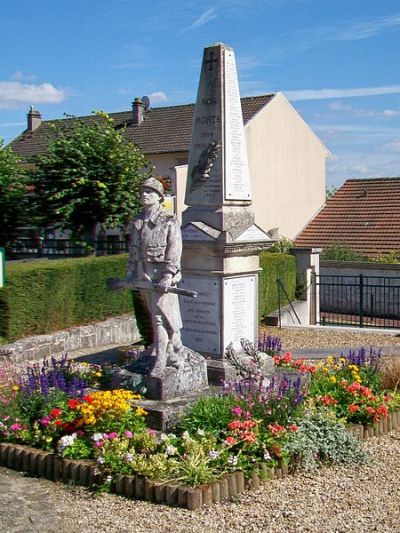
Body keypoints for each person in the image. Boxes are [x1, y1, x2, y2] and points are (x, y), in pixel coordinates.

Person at [125, 177, 183, 377]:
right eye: (142, 191)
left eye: (149, 192)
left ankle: (161, 360)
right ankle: (170, 346)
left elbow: (175, 249)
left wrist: (168, 275)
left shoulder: (168, 220)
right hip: (144, 274)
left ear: (159, 197)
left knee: (161, 317)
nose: (144, 194)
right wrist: (130, 273)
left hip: (161, 275)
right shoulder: (138, 222)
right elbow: (133, 249)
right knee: (155, 315)